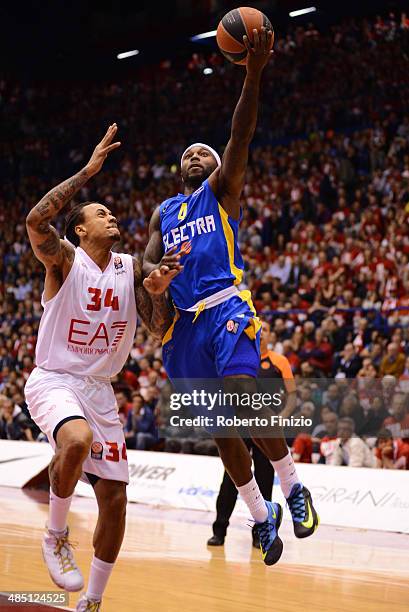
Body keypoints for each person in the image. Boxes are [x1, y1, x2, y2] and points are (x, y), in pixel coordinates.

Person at [145, 26, 320, 559]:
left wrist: (254, 74)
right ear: (180, 169)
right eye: (189, 154)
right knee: (221, 433)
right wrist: (154, 278)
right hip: (181, 328)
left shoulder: (220, 194)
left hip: (225, 307)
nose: (197, 157)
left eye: (205, 153)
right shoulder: (163, 212)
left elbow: (239, 135)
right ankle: (260, 518)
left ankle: (293, 487)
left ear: (218, 168)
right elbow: (150, 260)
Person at [24, 125, 177, 612]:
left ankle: (92, 602)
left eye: (112, 213)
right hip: (54, 378)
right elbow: (35, 219)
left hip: (99, 389)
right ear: (79, 229)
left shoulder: (131, 267)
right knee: (76, 441)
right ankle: (55, 534)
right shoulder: (64, 261)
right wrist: (89, 172)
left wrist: (159, 294)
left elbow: (158, 326)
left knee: (115, 500)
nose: (111, 218)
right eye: (100, 213)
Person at [207, 320, 298, 548]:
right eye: (259, 330)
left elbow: (292, 395)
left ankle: (261, 534)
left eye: (265, 330)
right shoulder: (240, 359)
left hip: (266, 428)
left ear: (271, 336)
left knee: (265, 479)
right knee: (231, 479)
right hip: (239, 426)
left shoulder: (279, 362)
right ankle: (219, 530)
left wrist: (282, 417)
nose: (261, 333)